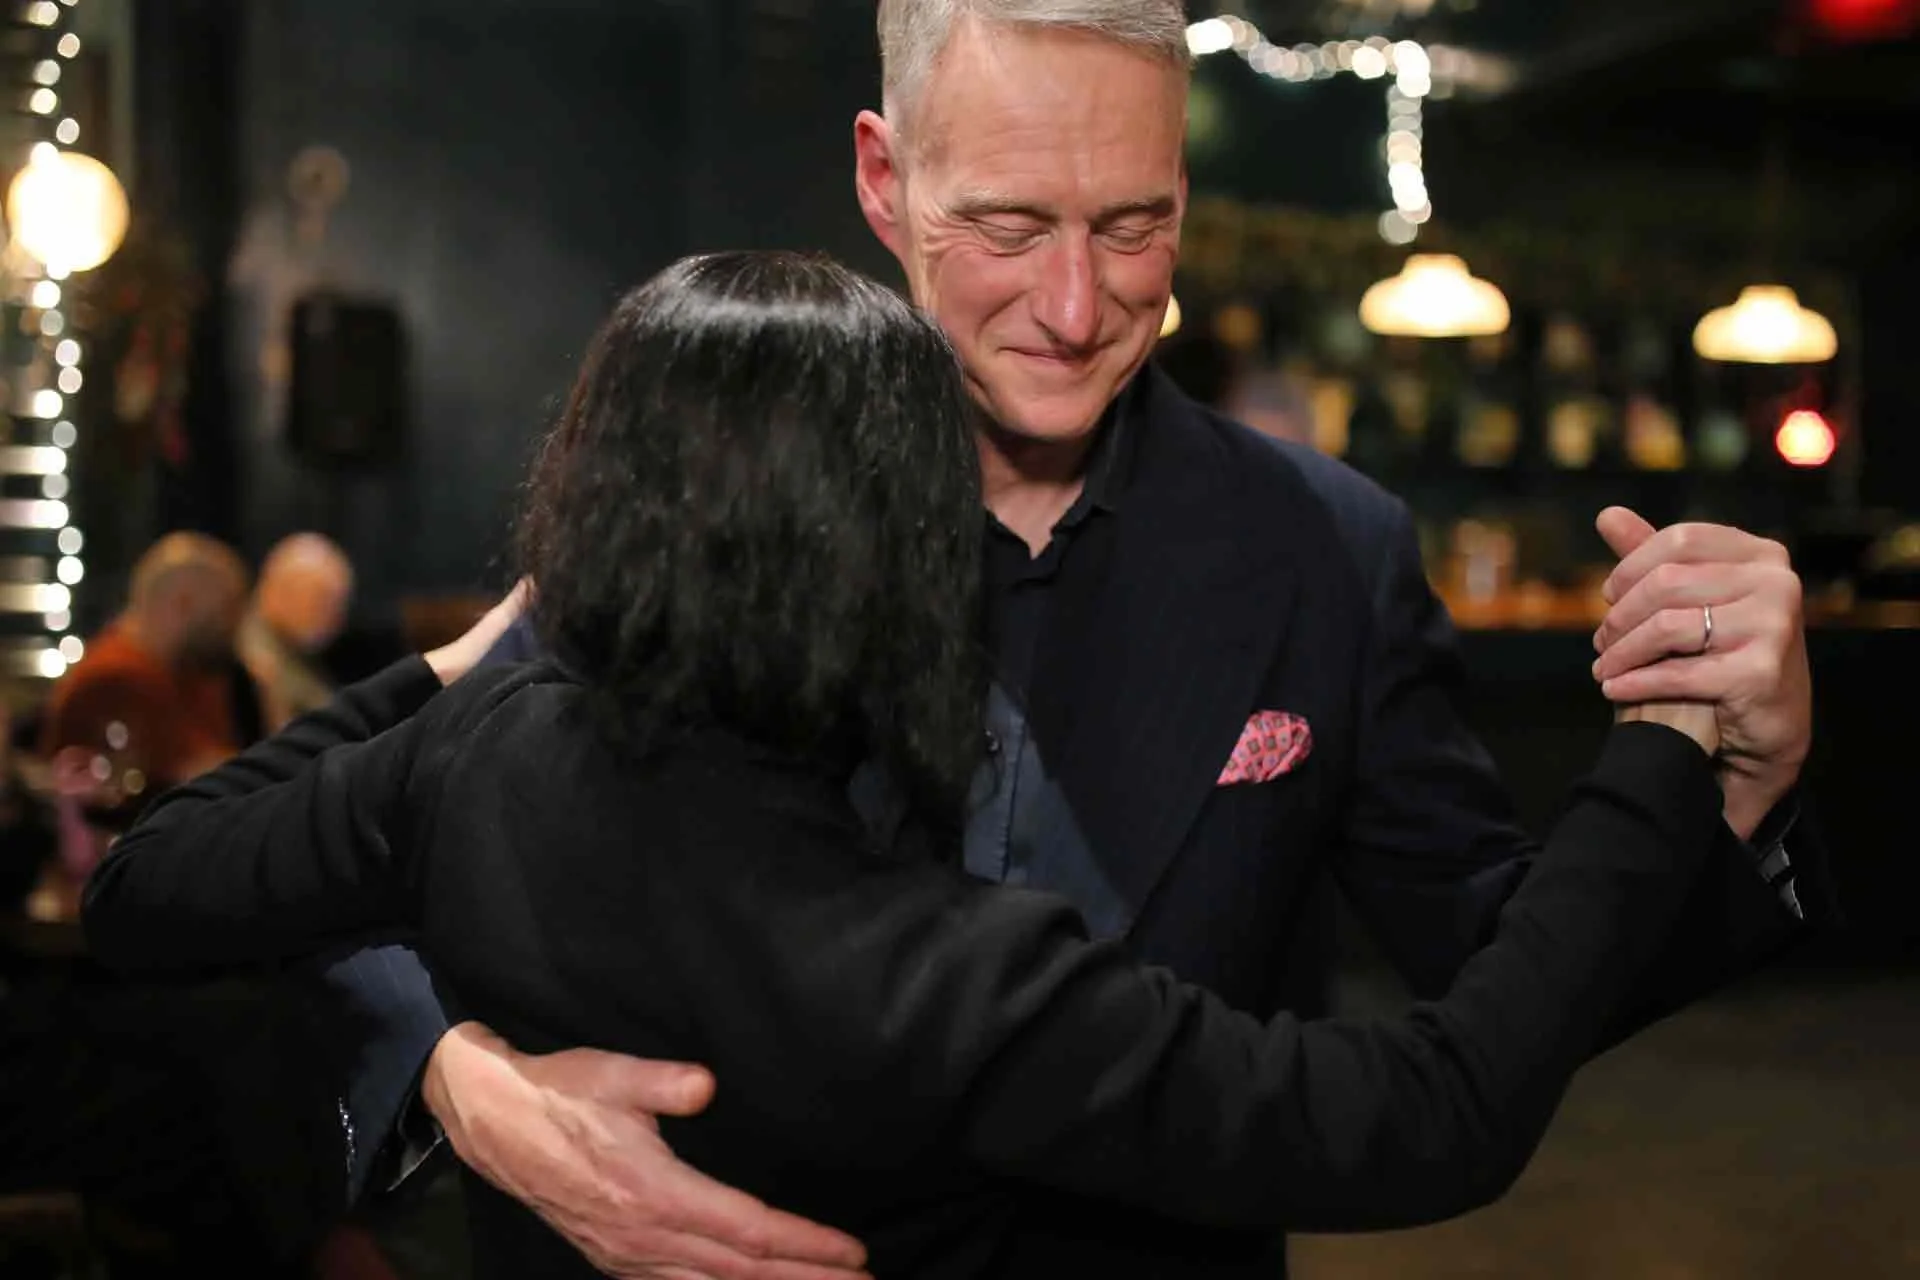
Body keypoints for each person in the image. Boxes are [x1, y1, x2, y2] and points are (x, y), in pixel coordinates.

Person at [321, 5, 1824, 1276]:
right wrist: (459, 1083)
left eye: (1135, 226)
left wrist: (1728, 785)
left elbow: (1510, 981)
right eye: (1010, 226)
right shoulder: (707, 472)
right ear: (882, 178)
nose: (1075, 304)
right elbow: (360, 857)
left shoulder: (1328, 546)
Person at [89, 251, 1735, 1280]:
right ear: (887, 551)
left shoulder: (476, 752)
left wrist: (432, 672)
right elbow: (1434, 1113)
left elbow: (154, 876)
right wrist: (1664, 747)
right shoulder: (930, 971)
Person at [37, 532, 256, 888]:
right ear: (183, 604)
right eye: (226, 612)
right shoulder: (117, 677)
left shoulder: (187, 672)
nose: (235, 630)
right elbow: (200, 774)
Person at [240, 532, 356, 733]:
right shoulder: (255, 668)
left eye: (340, 605)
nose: (337, 619)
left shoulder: (292, 655)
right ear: (279, 592)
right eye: (323, 602)